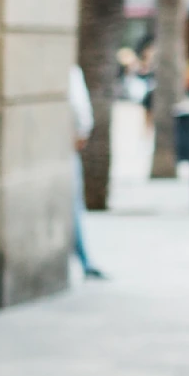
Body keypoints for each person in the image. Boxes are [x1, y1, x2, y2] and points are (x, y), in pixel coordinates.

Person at [64, 64, 106, 281]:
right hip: (66, 147)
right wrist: (81, 132)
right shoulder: (69, 70)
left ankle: (84, 260)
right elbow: (81, 111)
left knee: (73, 205)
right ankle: (85, 261)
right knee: (73, 205)